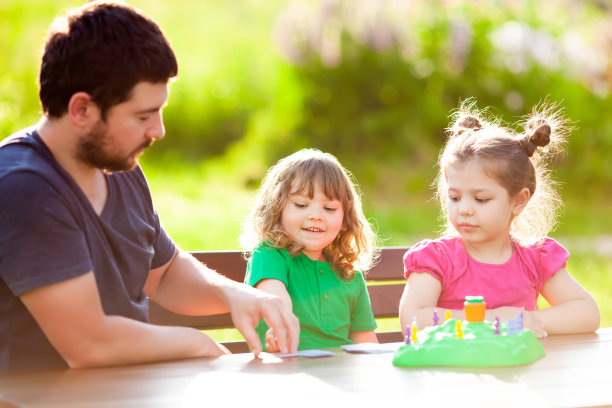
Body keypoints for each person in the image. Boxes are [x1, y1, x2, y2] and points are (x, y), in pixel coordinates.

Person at [0, 0, 299, 371]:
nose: (158, 131)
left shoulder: (119, 166)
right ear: (81, 110)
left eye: (159, 112)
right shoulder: (23, 187)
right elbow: (87, 345)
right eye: (143, 116)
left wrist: (234, 294)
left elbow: (165, 272)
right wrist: (197, 343)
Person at [399, 100, 600, 338]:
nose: (464, 209)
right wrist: (488, 319)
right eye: (454, 197)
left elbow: (588, 313)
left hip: (522, 373)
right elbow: (413, 320)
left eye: (481, 199)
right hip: (453, 372)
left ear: (518, 201)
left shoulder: (535, 258)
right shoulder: (438, 259)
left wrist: (526, 320)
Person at [241, 149, 380, 351]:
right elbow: (274, 299)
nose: (316, 215)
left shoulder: (349, 273)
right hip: (286, 372)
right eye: (301, 204)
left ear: (345, 218)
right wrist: (281, 329)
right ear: (277, 209)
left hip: (343, 376)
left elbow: (365, 341)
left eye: (329, 209)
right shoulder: (270, 255)